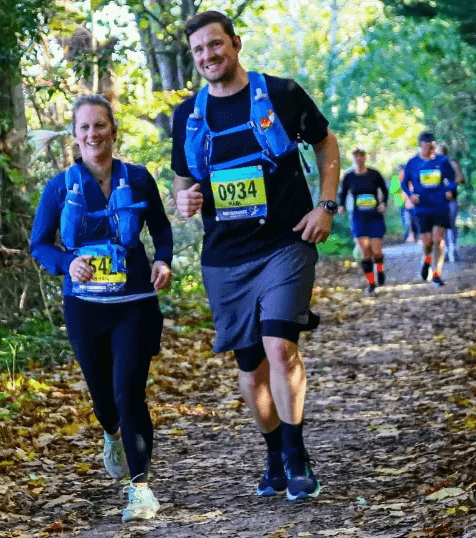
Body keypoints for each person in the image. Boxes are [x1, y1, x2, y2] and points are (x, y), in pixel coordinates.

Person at [170, 10, 340, 501]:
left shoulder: (282, 94)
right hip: (224, 257)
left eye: (215, 45)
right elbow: (184, 182)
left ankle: (295, 454)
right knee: (250, 366)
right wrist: (183, 200)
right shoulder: (189, 115)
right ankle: (273, 454)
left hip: (286, 243)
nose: (208, 55)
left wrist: (325, 206)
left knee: (279, 346)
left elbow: (326, 142)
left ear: (236, 43)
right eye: (199, 50)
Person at [30, 94, 173, 522]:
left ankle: (141, 489)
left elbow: (162, 230)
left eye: (100, 126)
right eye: (85, 128)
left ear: (113, 130)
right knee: (103, 398)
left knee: (129, 392)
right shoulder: (60, 187)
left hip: (134, 304)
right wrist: (66, 263)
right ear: (75, 136)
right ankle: (111, 435)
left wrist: (163, 260)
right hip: (85, 309)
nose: (93, 134)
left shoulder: (140, 179)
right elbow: (39, 243)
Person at [402, 131, 457, 286]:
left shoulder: (443, 161)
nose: (431, 150)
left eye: (433, 147)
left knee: (438, 240)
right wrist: (410, 195)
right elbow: (404, 183)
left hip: (440, 206)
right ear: (421, 146)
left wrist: (450, 190)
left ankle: (437, 274)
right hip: (421, 208)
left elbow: (452, 179)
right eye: (428, 148)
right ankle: (426, 261)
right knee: (427, 242)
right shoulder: (412, 163)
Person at [338, 147, 389, 294]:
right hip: (359, 217)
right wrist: (341, 206)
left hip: (374, 216)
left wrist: (383, 203)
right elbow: (342, 194)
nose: (358, 158)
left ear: (365, 157)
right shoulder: (349, 177)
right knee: (365, 252)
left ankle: (380, 270)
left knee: (376, 251)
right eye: (355, 156)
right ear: (353, 158)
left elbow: (384, 191)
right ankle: (371, 283)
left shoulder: (374, 174)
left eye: (361, 155)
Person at [437, 142, 466, 263]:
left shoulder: (453, 165)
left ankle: (452, 249)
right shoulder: (433, 166)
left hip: (452, 199)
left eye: (440, 153)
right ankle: (446, 251)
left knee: (451, 224)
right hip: (438, 201)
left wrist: (450, 184)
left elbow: (461, 179)